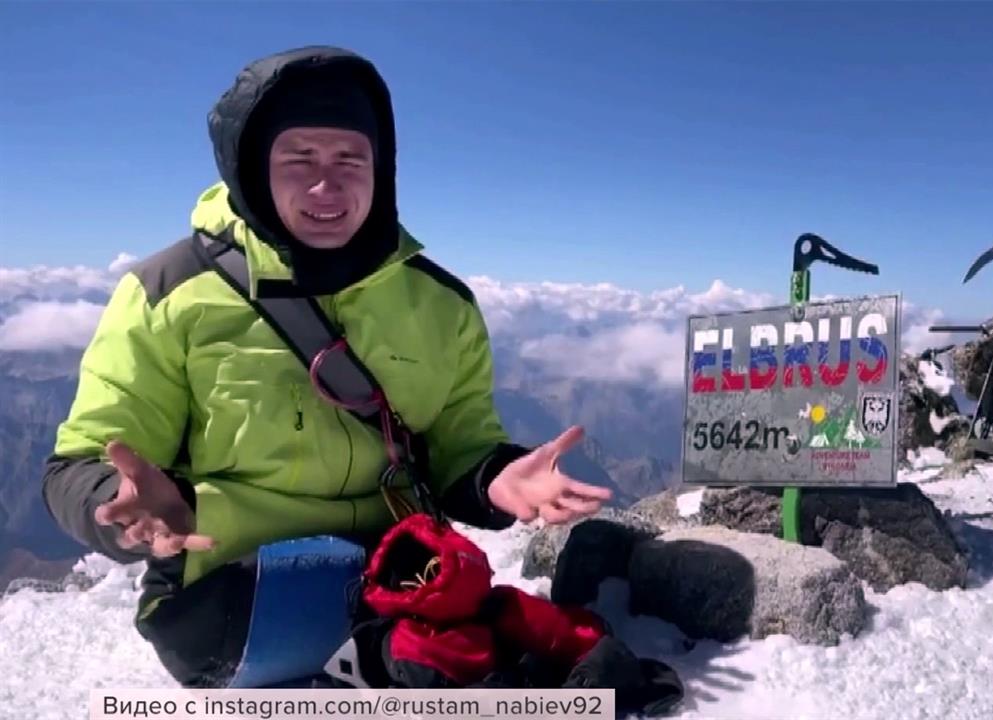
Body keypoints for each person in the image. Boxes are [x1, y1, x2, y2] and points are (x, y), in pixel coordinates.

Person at [42, 45, 614, 689]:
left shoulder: (441, 305)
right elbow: (79, 462)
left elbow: (460, 443)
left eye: (350, 159)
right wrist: (116, 503)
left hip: (395, 568)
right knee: (451, 668)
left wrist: (497, 477)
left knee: (546, 652)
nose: (327, 186)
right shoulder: (168, 294)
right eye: (299, 159)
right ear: (252, 168)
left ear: (381, 169)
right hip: (231, 586)